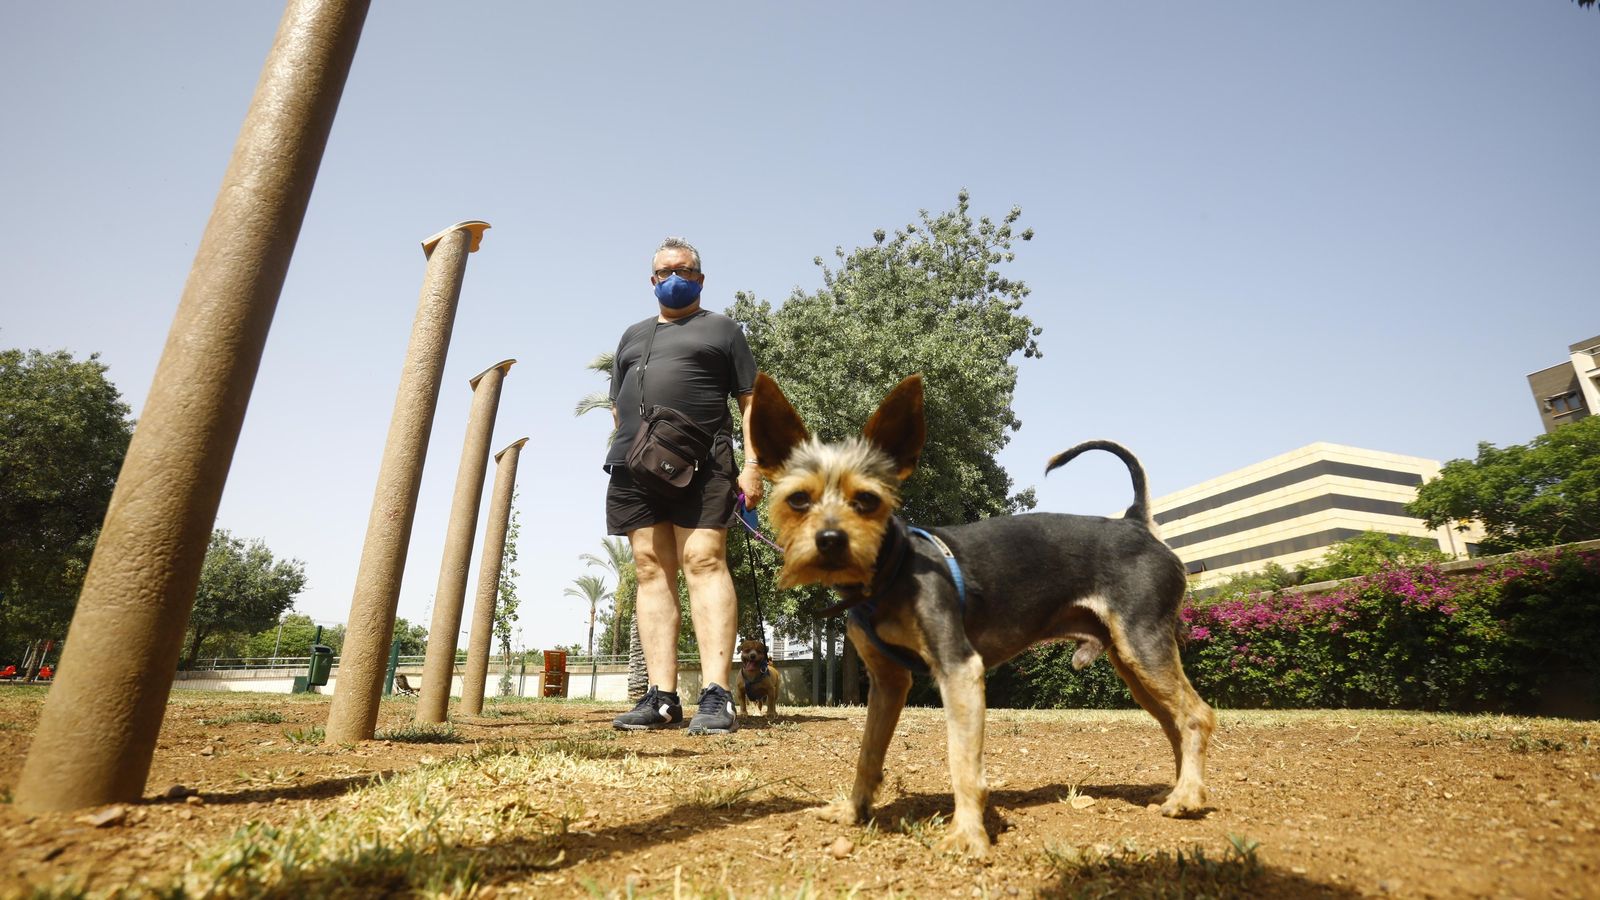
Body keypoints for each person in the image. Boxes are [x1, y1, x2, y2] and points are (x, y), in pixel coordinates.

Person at [605, 237, 762, 734]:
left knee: (704, 561)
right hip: (635, 466)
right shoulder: (632, 336)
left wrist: (753, 464)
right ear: (652, 281)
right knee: (650, 568)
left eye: (684, 270)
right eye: (665, 271)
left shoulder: (722, 329)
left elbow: (750, 400)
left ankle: (716, 696)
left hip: (704, 461)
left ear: (700, 277)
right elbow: (616, 405)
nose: (674, 278)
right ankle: (662, 699)